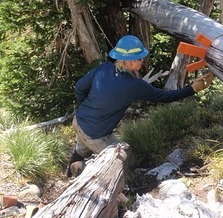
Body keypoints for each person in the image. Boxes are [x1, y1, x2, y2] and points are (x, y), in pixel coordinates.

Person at [66, 34, 214, 177]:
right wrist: (192, 89)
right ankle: (113, 190)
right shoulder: (134, 85)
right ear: (129, 62)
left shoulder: (103, 68)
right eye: (139, 58)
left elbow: (79, 88)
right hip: (97, 136)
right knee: (125, 156)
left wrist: (87, 109)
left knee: (82, 149)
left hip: (79, 121)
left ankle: (71, 171)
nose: (143, 60)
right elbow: (165, 97)